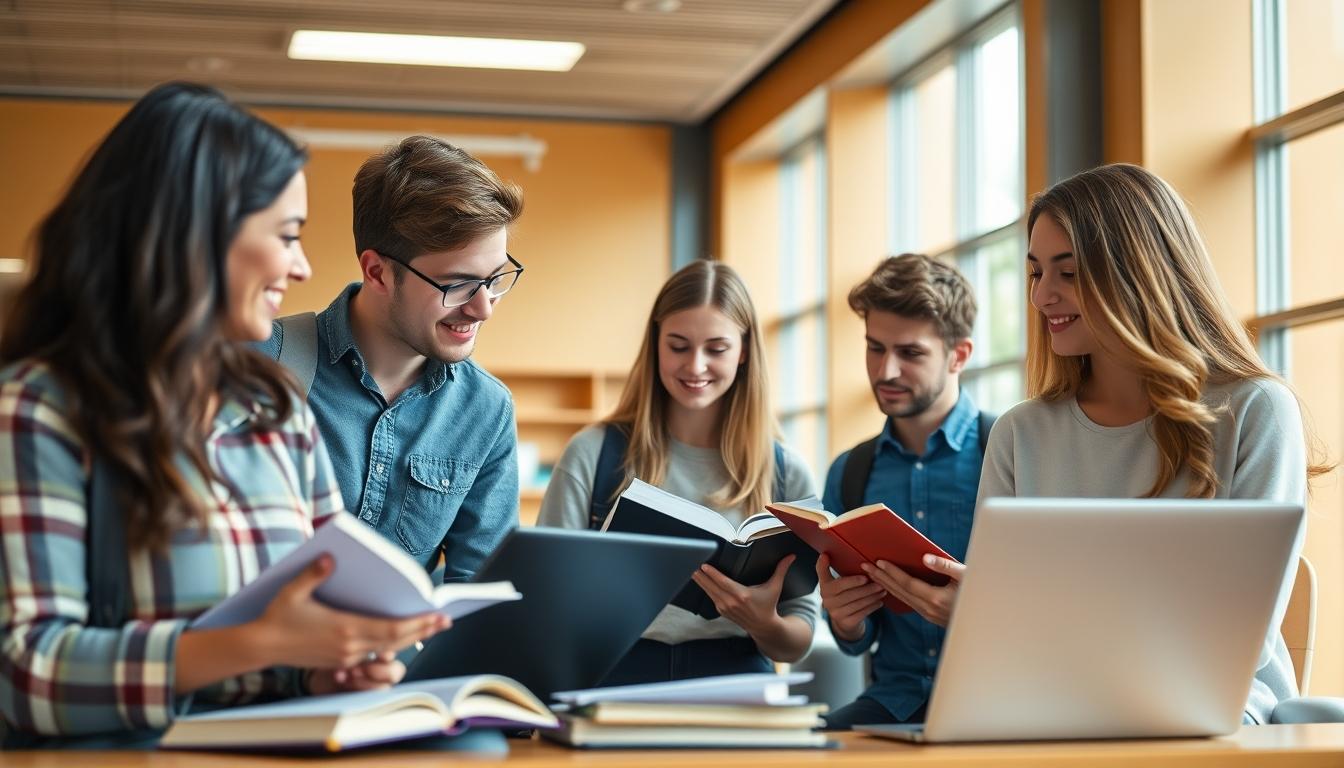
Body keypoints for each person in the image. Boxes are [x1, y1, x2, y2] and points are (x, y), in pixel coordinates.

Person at [0, 83, 448, 747]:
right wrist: (256, 643)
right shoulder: (41, 409)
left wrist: (326, 670)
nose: (302, 267)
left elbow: (320, 609)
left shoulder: (276, 410)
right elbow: (27, 675)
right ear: (194, 236)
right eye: (287, 235)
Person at [857, 163, 1329, 725]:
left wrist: (1014, 618)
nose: (1042, 297)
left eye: (1069, 272)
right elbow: (1006, 638)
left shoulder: (1253, 409)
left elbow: (1233, 628)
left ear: (1140, 273)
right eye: (1035, 273)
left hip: (1210, 716)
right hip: (1045, 709)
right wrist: (981, 616)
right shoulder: (1020, 433)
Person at [538, 260, 818, 682]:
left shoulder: (785, 472)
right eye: (679, 345)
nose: (696, 366)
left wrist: (765, 623)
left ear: (744, 352)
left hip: (736, 680)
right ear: (655, 345)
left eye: (717, 349)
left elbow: (798, 636)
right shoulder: (592, 454)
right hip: (613, 674)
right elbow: (545, 597)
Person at [260, 136, 525, 580]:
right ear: (377, 272)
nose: (483, 308)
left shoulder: (487, 411)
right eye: (457, 284)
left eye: (495, 278)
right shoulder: (258, 365)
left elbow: (481, 597)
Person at [814, 254, 988, 730]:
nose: (885, 370)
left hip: (996, 700)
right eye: (875, 348)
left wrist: (977, 612)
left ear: (960, 355)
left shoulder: (1007, 453)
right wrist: (846, 621)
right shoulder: (850, 472)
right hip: (892, 702)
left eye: (910, 353)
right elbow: (854, 640)